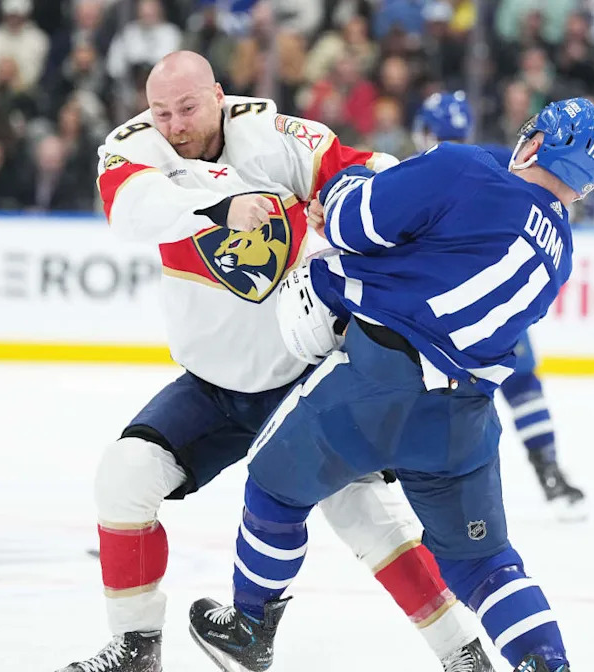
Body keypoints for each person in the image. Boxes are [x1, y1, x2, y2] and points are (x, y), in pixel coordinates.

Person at [56, 51, 492, 672]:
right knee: (123, 477)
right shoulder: (136, 146)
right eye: (162, 112)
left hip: (304, 375)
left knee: (365, 514)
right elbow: (128, 208)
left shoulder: (277, 137)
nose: (176, 124)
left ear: (219, 95)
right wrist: (217, 207)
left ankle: (462, 652)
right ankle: (135, 648)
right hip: (214, 384)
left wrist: (393, 212)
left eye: (188, 108)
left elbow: (371, 177)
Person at [189, 98, 594, 672]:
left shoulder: (466, 168)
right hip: (461, 420)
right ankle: (545, 662)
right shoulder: (560, 251)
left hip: (378, 381)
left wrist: (346, 188)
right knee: (487, 566)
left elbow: (353, 223)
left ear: (536, 143)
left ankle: (248, 627)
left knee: (273, 487)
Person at [411, 91, 585, 518]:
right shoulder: (495, 158)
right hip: (500, 299)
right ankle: (548, 471)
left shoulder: (417, 167)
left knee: (418, 391)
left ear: (426, 130)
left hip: (432, 310)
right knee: (521, 382)